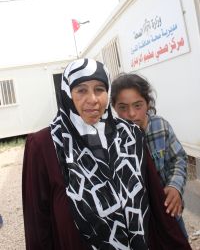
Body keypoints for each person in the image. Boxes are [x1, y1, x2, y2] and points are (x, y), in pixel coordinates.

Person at [22, 58, 191, 250]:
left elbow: (154, 205)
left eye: (99, 89)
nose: (93, 99)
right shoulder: (45, 145)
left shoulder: (130, 135)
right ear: (67, 93)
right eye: (81, 90)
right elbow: (37, 222)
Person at [111, 72, 188, 238]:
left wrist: (175, 186)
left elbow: (178, 159)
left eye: (138, 105)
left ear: (147, 103)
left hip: (167, 210)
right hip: (135, 220)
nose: (131, 114)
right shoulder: (111, 137)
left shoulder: (161, 126)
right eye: (122, 107)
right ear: (114, 107)